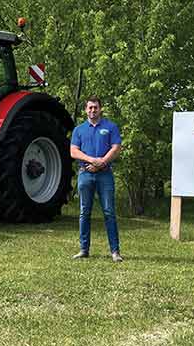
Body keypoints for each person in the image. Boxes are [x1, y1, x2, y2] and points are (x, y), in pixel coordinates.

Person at [70, 95, 123, 262]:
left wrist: (101, 163)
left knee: (109, 212)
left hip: (105, 174)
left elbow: (116, 148)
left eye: (96, 107)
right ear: (85, 110)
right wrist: (91, 160)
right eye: (90, 107)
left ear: (101, 109)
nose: (93, 110)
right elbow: (74, 151)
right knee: (84, 212)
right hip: (85, 174)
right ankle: (83, 249)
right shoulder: (79, 130)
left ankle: (115, 252)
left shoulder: (111, 127)